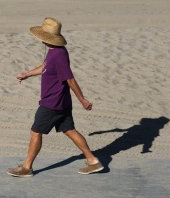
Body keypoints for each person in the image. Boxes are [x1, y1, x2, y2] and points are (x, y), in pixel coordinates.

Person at [7, 17, 104, 177]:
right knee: (69, 130)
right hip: (62, 102)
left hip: (52, 102)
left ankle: (26, 168)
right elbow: (46, 67)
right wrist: (28, 74)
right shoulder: (55, 51)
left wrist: (82, 100)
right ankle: (93, 161)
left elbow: (70, 79)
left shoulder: (58, 54)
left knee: (36, 132)